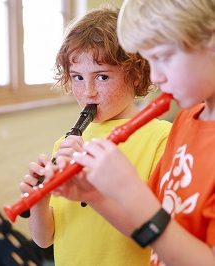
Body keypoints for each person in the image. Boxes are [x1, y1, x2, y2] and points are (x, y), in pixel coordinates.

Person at [20, 6, 171, 266]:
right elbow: (45, 240)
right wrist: (39, 201)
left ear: (135, 75)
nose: (88, 92)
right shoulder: (65, 145)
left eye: (102, 77)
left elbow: (158, 234)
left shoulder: (160, 138)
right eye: (77, 77)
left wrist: (92, 191)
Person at [67, 1, 215, 265]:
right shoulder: (185, 121)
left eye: (161, 57)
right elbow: (150, 228)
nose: (155, 76)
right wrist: (94, 196)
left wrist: (129, 190)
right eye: (148, 60)